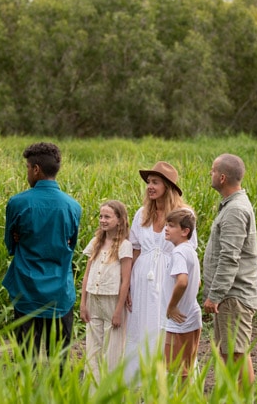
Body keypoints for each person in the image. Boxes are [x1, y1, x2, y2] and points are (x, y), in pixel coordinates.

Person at [3, 142, 82, 359]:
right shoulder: (73, 206)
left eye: (28, 167)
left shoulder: (18, 203)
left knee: (24, 360)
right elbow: (70, 245)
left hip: (26, 291)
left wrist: (21, 239)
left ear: (36, 169)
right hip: (60, 293)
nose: (27, 172)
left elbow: (10, 245)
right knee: (60, 361)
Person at [124, 161, 197, 384]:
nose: (150, 186)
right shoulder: (141, 214)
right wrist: (126, 285)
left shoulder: (183, 215)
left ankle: (167, 382)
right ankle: (141, 382)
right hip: (142, 277)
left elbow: (188, 253)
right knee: (141, 326)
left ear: (167, 186)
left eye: (155, 182)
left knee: (165, 326)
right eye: (148, 182)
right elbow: (134, 250)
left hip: (169, 276)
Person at [203, 153, 257, 385]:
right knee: (229, 353)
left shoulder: (235, 210)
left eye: (213, 170)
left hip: (233, 296)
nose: (211, 173)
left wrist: (214, 296)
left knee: (236, 353)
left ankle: (245, 399)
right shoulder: (232, 206)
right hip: (230, 296)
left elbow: (229, 258)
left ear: (223, 177)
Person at [80, 200, 133, 385]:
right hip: (93, 300)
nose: (103, 220)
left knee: (113, 350)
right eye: (101, 216)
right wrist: (83, 303)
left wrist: (119, 311)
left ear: (119, 220)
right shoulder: (95, 242)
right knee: (92, 349)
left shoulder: (124, 246)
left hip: (112, 301)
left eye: (107, 217)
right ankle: (92, 391)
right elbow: (87, 275)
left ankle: (111, 390)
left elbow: (126, 280)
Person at [162, 208, 202, 380]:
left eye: (171, 226)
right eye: (166, 225)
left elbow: (182, 281)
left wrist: (171, 307)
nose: (166, 229)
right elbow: (197, 282)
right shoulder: (190, 251)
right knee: (187, 367)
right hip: (192, 315)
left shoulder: (178, 252)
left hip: (179, 321)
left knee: (176, 370)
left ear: (185, 231)